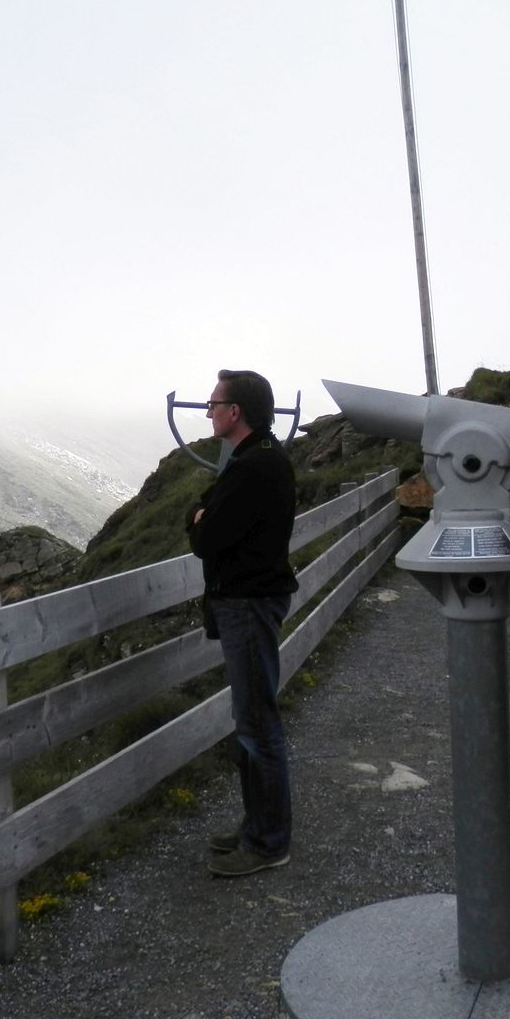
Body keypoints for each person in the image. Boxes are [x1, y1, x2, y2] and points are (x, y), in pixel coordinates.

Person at [186, 369, 300, 877]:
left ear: (236, 412)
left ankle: (268, 841)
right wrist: (201, 515)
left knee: (256, 726)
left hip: (248, 604)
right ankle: (258, 827)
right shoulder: (266, 459)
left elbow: (207, 538)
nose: (208, 412)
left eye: (213, 404)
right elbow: (205, 518)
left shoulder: (253, 468)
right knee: (253, 721)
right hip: (254, 601)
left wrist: (200, 519)